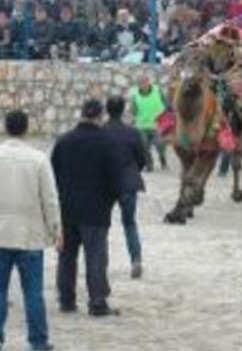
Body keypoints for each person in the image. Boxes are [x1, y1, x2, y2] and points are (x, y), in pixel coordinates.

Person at [0, 110, 61, 351]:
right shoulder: (39, 159)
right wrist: (56, 229)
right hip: (29, 235)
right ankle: (38, 340)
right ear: (27, 127)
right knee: (33, 292)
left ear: (5, 126)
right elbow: (50, 199)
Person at [53, 99, 123, 317]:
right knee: (96, 256)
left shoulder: (63, 141)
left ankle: (66, 300)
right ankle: (97, 302)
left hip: (67, 209)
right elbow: (116, 178)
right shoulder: (108, 142)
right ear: (100, 116)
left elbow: (52, 177)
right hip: (96, 209)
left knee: (66, 256)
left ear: (81, 114)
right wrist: (110, 200)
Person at [105, 96, 148, 279]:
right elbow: (142, 159)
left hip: (105, 184)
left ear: (107, 110)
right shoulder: (133, 132)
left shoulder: (101, 132)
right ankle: (136, 259)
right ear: (123, 111)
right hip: (129, 182)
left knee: (101, 227)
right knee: (130, 223)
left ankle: (100, 261)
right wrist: (132, 171)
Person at [130, 76, 167, 171]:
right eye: (140, 84)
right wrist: (132, 106)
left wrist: (166, 115)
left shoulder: (157, 90)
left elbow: (165, 102)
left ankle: (163, 159)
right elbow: (133, 111)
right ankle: (149, 165)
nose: (142, 85)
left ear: (148, 82)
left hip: (157, 125)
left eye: (144, 83)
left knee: (160, 145)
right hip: (142, 125)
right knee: (144, 147)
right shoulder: (135, 94)